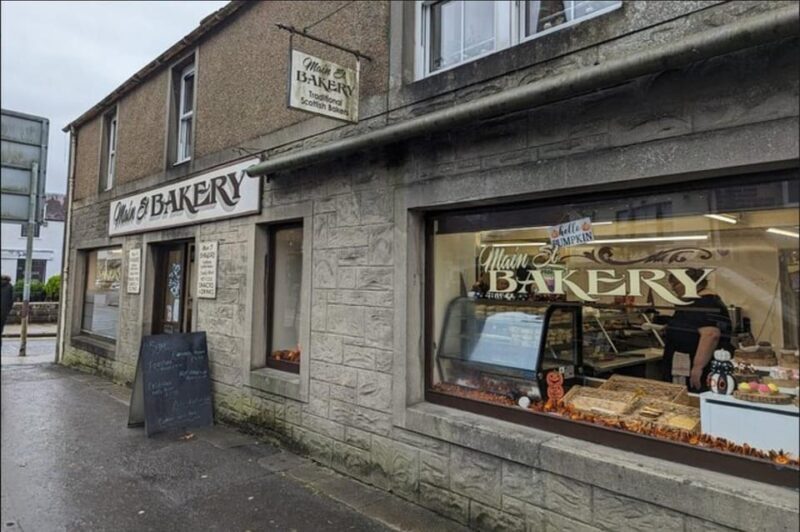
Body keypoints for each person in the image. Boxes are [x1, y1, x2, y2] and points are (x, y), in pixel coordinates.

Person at [661, 268, 732, 392]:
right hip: (684, 363)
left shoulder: (704, 303)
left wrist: (698, 367)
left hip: (697, 368)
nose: (673, 288)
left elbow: (711, 334)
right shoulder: (693, 302)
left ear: (691, 283)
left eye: (676, 284)